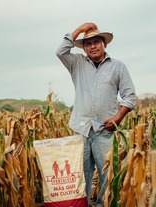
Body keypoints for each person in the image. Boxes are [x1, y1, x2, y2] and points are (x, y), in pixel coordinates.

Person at [56, 22, 136, 207]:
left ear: (104, 44)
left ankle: (102, 204)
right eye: (88, 43)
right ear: (83, 48)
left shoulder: (118, 67)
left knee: (108, 175)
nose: (93, 46)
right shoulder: (76, 63)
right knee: (80, 175)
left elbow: (130, 96)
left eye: (96, 41)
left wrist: (118, 117)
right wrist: (79, 29)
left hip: (105, 131)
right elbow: (60, 51)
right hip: (80, 129)